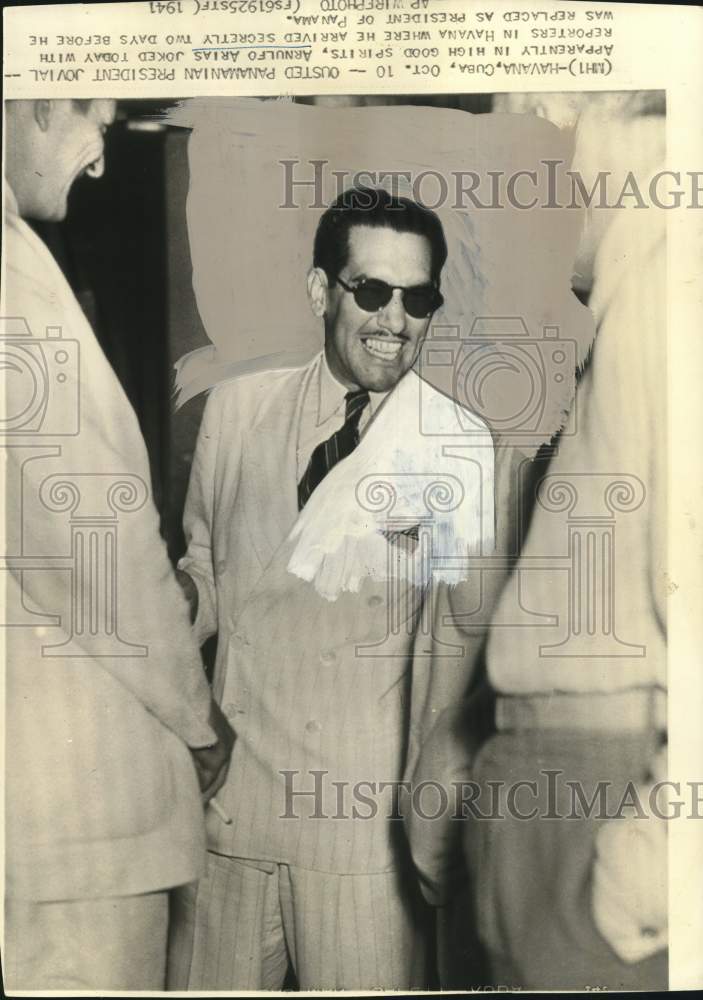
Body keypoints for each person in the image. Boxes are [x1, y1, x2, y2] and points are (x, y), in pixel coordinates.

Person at [167, 186, 494, 990]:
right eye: (372, 292)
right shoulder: (236, 411)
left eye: (418, 299)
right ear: (321, 291)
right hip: (229, 811)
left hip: (360, 833)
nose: (395, 320)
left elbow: (455, 648)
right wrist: (174, 603)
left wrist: (431, 820)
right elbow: (206, 566)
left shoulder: (456, 446)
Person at [406, 95, 668, 990]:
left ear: (596, 121)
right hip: (543, 798)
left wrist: (647, 872)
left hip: (595, 816)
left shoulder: (668, 297)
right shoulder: (633, 301)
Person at [2, 98, 234, 990]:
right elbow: (91, 546)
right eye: (95, 112)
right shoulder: (14, 273)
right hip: (74, 819)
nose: (100, 155)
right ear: (30, 99)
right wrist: (198, 718)